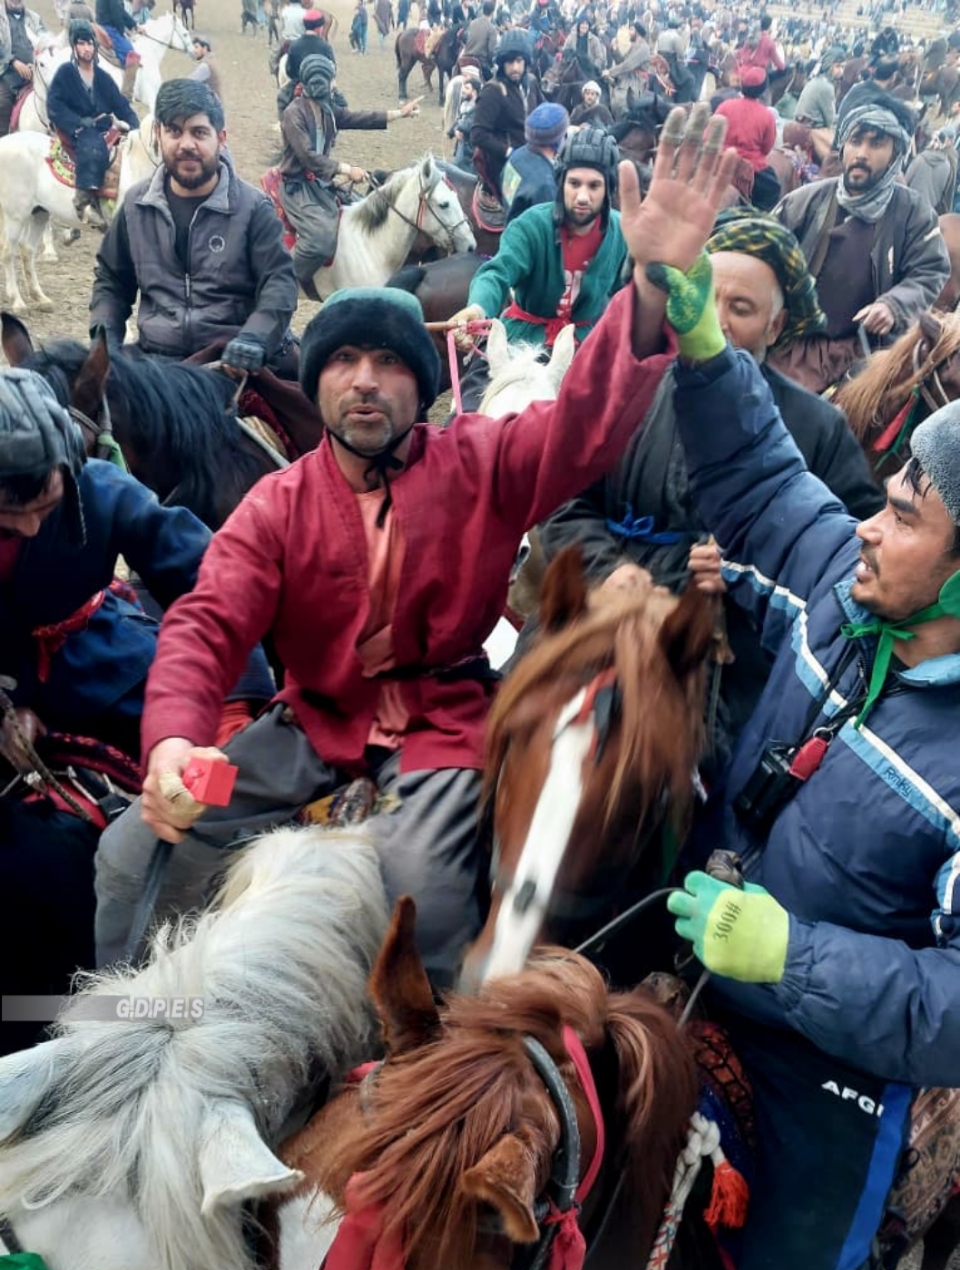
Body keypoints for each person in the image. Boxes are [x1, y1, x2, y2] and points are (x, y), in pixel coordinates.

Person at [92, 104, 741, 989]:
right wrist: (171, 740)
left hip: (442, 728)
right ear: (316, 384)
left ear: (424, 384)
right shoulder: (277, 503)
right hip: (309, 726)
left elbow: (585, 425)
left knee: (429, 903)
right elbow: (206, 623)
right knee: (131, 852)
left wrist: (653, 286)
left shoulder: (482, 464)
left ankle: (416, 1079)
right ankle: (131, 1040)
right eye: (344, 362)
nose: (366, 380)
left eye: (390, 363)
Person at [654, 210, 960, 1270]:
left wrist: (793, 957)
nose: (869, 526)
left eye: (906, 516)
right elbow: (762, 471)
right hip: (684, 942)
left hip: (821, 1057)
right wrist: (702, 343)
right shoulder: (843, 581)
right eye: (881, 503)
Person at [540, 211, 882, 776]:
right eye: (707, 300)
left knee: (709, 774)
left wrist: (753, 565)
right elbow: (563, 498)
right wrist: (605, 571)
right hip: (601, 613)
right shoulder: (632, 388)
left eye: (742, 309)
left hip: (729, 651)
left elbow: (851, 559)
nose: (717, 321)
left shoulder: (818, 428)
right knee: (521, 730)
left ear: (777, 328)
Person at [0, 368, 232, 1056]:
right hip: (14, 697)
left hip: (109, 664)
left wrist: (236, 706)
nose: (36, 523)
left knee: (213, 791)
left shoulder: (100, 490)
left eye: (47, 500)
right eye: (14, 513)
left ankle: (205, 967)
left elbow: (212, 583)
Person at [89, 79, 299, 376]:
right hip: (156, 360)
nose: (186, 144)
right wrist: (105, 336)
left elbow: (279, 282)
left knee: (316, 412)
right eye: (174, 131)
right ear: (158, 135)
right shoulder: (136, 206)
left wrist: (256, 337)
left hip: (235, 362)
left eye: (199, 132)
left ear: (221, 138)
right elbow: (111, 279)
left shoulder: (254, 208)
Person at [772, 99, 950, 394]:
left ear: (896, 154)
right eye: (855, 141)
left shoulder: (913, 213)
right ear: (843, 148)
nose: (863, 153)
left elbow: (930, 270)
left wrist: (894, 305)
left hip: (863, 353)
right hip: (794, 345)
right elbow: (764, 252)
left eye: (877, 144)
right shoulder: (805, 201)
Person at [449, 126, 626, 410]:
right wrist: (477, 308)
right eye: (574, 183)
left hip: (588, 349)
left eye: (594, 186)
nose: (582, 196)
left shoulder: (623, 233)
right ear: (561, 183)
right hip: (520, 342)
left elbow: (630, 293)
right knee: (466, 416)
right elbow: (497, 272)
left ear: (607, 190)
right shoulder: (530, 225)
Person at [278, 54, 421, 295]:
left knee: (360, 214)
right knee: (321, 239)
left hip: (319, 184)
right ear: (319, 83)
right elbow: (308, 156)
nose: (335, 85)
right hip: (298, 187)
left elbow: (358, 117)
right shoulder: (294, 114)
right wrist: (345, 169)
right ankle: (283, 283)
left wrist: (399, 114)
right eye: (332, 80)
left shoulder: (326, 110)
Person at [48, 20, 139, 231]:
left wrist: (136, 128)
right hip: (78, 130)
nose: (86, 48)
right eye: (81, 44)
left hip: (102, 127)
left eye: (89, 44)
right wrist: (76, 122)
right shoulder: (65, 74)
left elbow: (120, 104)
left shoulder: (103, 78)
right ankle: (84, 201)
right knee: (93, 147)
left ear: (95, 46)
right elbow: (54, 104)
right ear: (74, 46)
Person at [471, 28, 542, 202]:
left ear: (526, 61)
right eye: (509, 62)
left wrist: (565, 126)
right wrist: (508, 151)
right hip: (504, 166)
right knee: (526, 206)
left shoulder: (531, 83)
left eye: (519, 61)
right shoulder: (492, 91)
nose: (515, 67)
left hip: (532, 157)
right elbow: (477, 134)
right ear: (502, 63)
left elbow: (543, 109)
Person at [715, 66, 780, 211]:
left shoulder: (725, 106)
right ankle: (759, 221)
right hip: (752, 166)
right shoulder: (767, 115)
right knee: (773, 188)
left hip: (719, 160)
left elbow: (710, 134)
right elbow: (767, 147)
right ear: (762, 90)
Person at [500, 100, 568, 222]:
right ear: (557, 140)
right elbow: (549, 231)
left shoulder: (516, 156)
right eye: (564, 134)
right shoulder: (546, 186)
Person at [277, 7, 334, 117]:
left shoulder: (294, 45)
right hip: (321, 85)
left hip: (299, 83)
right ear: (319, 28)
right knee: (341, 104)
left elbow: (289, 71)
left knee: (281, 100)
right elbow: (333, 68)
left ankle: (283, 122)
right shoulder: (325, 46)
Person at [0, 0, 45, 137]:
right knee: (2, 104)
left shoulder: (34, 18)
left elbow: (46, 41)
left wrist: (37, 61)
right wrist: (13, 61)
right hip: (6, 75)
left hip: (34, 76)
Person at [906, 129, 959, 219]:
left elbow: (906, 180)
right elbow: (946, 195)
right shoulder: (948, 166)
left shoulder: (921, 158)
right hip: (926, 214)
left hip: (906, 205)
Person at [602, 19, 650, 116]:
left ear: (638, 32)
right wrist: (615, 51)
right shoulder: (634, 46)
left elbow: (628, 65)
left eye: (631, 30)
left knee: (620, 103)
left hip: (636, 82)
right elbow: (622, 61)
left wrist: (610, 72)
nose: (629, 32)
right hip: (627, 77)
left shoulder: (644, 48)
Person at [95, 0, 141, 100]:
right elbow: (117, 14)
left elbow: (120, 11)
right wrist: (122, 31)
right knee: (132, 56)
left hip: (103, 26)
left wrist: (135, 25)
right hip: (110, 29)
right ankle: (126, 96)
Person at [793, 44, 844, 131]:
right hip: (811, 131)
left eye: (843, 67)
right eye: (837, 66)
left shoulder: (816, 80)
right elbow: (831, 122)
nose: (841, 70)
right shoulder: (826, 87)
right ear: (828, 66)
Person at [447, 71, 480, 169]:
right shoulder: (464, 105)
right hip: (462, 145)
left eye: (467, 88)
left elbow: (468, 125)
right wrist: (452, 131)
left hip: (470, 150)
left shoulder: (479, 108)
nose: (463, 90)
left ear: (474, 91)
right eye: (463, 88)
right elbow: (459, 120)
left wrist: (458, 128)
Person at [561, 12, 606, 81]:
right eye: (582, 23)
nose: (584, 26)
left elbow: (599, 58)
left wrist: (593, 67)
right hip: (572, 69)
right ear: (578, 25)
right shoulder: (571, 37)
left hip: (588, 71)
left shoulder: (594, 40)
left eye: (586, 24)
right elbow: (565, 50)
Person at [461, 0, 498, 77]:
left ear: (483, 10)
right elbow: (491, 52)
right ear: (493, 12)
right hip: (481, 65)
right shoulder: (492, 29)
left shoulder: (472, 23)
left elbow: (465, 38)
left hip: (465, 60)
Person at [188, 34, 222, 101]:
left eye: (196, 47)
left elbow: (189, 82)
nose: (194, 51)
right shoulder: (211, 60)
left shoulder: (205, 66)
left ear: (205, 48)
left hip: (210, 105)